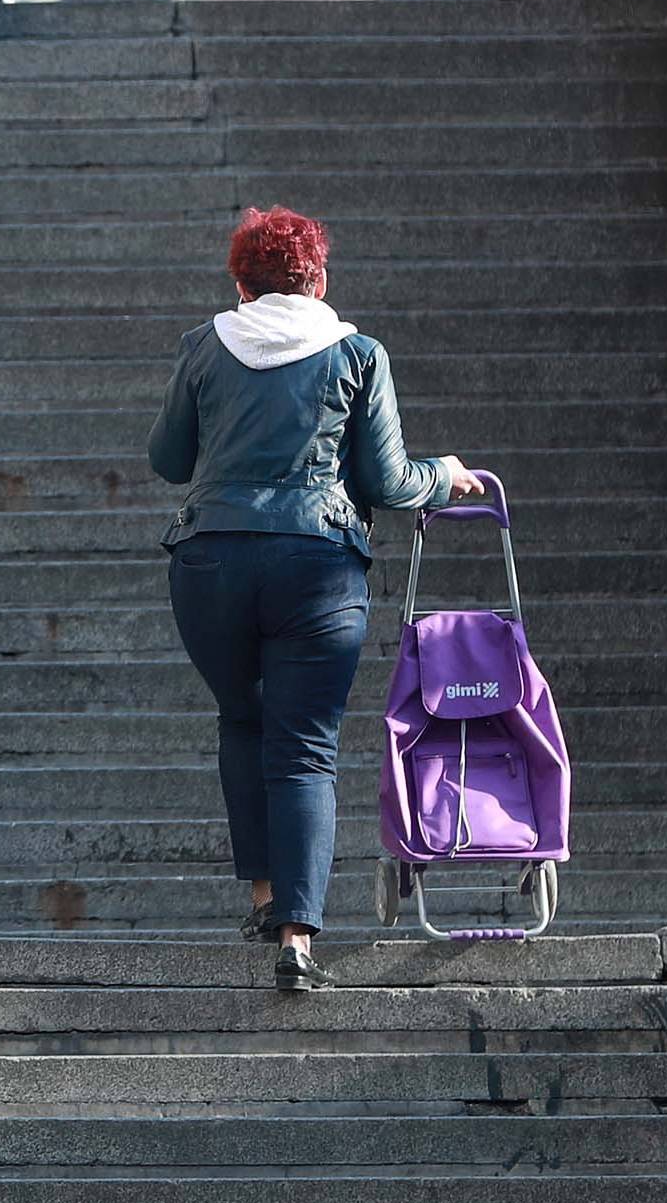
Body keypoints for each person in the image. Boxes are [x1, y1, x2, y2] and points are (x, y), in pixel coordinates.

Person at [148, 206, 482, 993]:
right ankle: (296, 941)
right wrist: (447, 472)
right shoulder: (358, 353)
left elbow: (167, 460)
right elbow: (390, 483)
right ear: (319, 278)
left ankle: (264, 897)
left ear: (241, 282)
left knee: (241, 719)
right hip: (317, 567)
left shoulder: (203, 346)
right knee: (304, 746)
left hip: (211, 562)